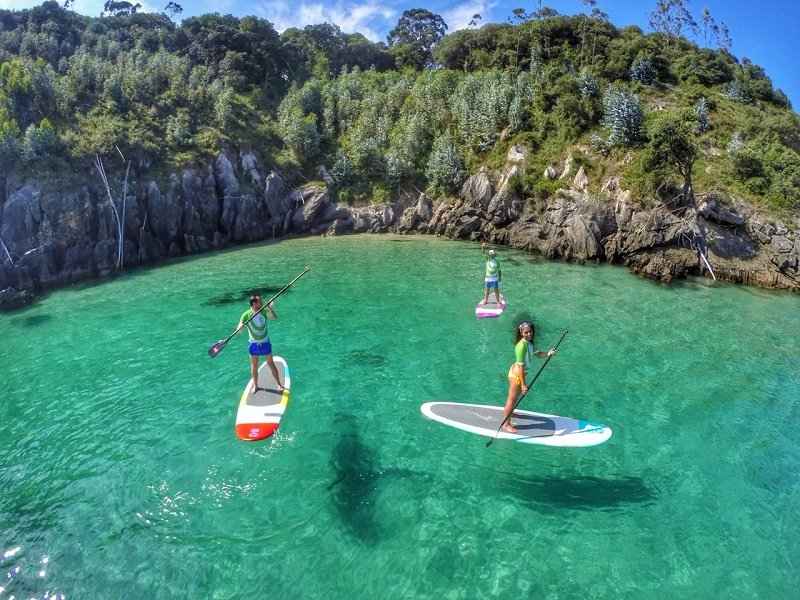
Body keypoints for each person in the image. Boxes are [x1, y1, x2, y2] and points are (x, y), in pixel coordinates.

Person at [502, 320, 556, 433]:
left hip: (520, 374)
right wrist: (523, 384)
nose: (529, 334)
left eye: (530, 332)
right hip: (517, 375)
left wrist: (548, 354)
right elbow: (520, 367)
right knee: (511, 399)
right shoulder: (521, 346)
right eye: (526, 332)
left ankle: (510, 412)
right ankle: (506, 424)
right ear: (521, 333)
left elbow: (538, 353)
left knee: (514, 398)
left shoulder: (530, 343)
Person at [236, 294, 284, 392]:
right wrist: (240, 328)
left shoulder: (263, 311)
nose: (262, 302)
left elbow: (274, 317)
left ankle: (279, 384)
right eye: (259, 301)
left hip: (265, 342)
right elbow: (239, 330)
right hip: (253, 345)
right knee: (254, 366)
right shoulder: (246, 315)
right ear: (254, 304)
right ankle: (256, 386)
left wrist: (270, 308)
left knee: (271, 363)